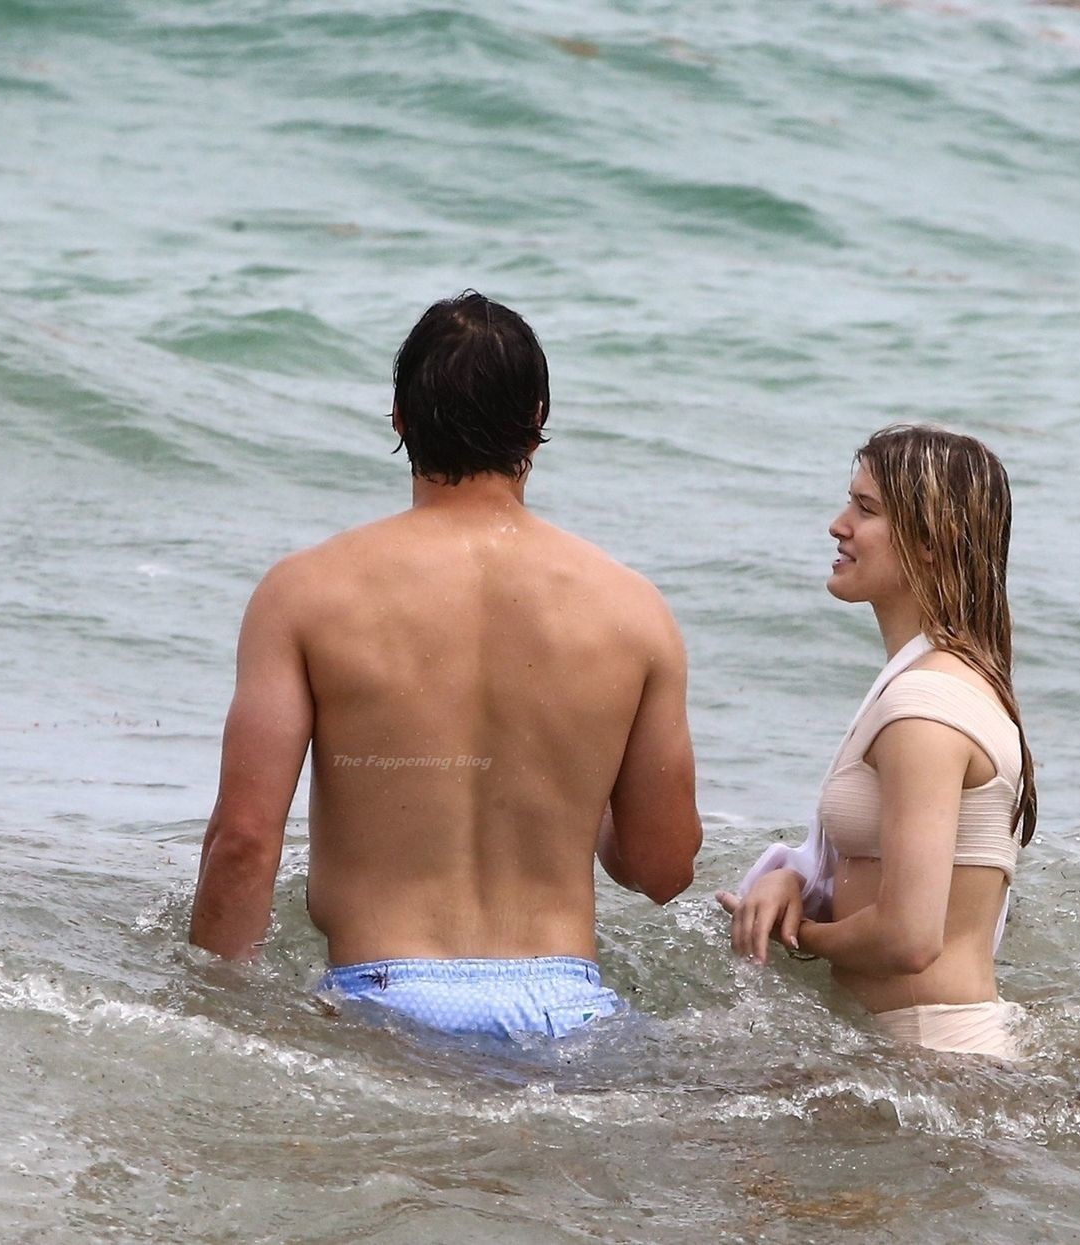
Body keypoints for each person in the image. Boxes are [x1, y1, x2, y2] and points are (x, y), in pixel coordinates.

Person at [189, 291, 703, 1042]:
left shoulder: (305, 593)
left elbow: (243, 840)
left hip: (383, 1001)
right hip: (567, 1012)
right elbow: (663, 870)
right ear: (537, 418)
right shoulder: (634, 609)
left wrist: (211, 1019)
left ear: (400, 418)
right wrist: (578, 789)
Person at [716, 424, 1039, 1056]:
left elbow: (908, 939)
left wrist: (797, 934)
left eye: (865, 509)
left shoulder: (925, 710)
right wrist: (795, 883)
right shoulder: (954, 682)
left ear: (931, 542)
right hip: (926, 1048)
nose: (838, 525)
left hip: (935, 1055)